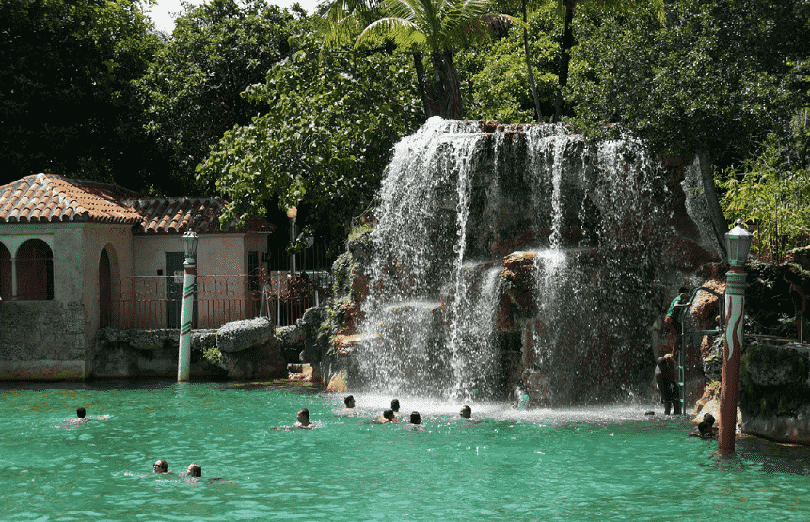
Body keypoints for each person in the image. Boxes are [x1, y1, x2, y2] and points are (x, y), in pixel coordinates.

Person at [663, 287, 691, 356]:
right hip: (670, 318)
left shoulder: (679, 298)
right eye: (686, 293)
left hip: (669, 318)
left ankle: (676, 348)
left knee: (680, 331)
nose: (687, 295)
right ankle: (673, 352)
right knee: (679, 333)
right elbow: (675, 305)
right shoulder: (679, 298)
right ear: (682, 294)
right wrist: (686, 305)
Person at [784, 272, 806, 342]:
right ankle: (800, 341)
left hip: (800, 307)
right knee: (798, 325)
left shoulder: (796, 286)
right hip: (796, 306)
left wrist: (803, 309)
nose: (784, 279)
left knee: (802, 325)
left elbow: (803, 297)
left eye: (784, 277)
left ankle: (805, 342)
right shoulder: (791, 285)